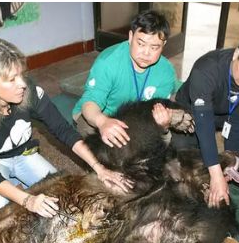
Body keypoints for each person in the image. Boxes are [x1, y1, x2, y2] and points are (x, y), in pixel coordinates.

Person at [0, 37, 132, 213]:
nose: (22, 84)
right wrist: (28, 200)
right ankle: (15, 189)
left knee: (61, 194)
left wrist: (99, 168)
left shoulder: (28, 90)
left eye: (21, 75)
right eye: (11, 79)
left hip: (24, 155)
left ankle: (15, 187)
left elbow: (63, 130)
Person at [171, 31, 239, 209]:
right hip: (194, 113)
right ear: (237, 53)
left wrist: (232, 160)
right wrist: (215, 173)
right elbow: (203, 122)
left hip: (227, 114)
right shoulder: (206, 68)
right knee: (182, 153)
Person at [73, 9, 179, 144]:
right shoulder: (108, 62)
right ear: (130, 37)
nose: (146, 53)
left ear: (163, 45)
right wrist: (103, 122)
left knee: (164, 140)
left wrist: (163, 125)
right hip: (104, 114)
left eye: (154, 47)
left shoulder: (166, 71)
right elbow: (90, 103)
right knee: (99, 139)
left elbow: (157, 113)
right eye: (140, 44)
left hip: (138, 119)